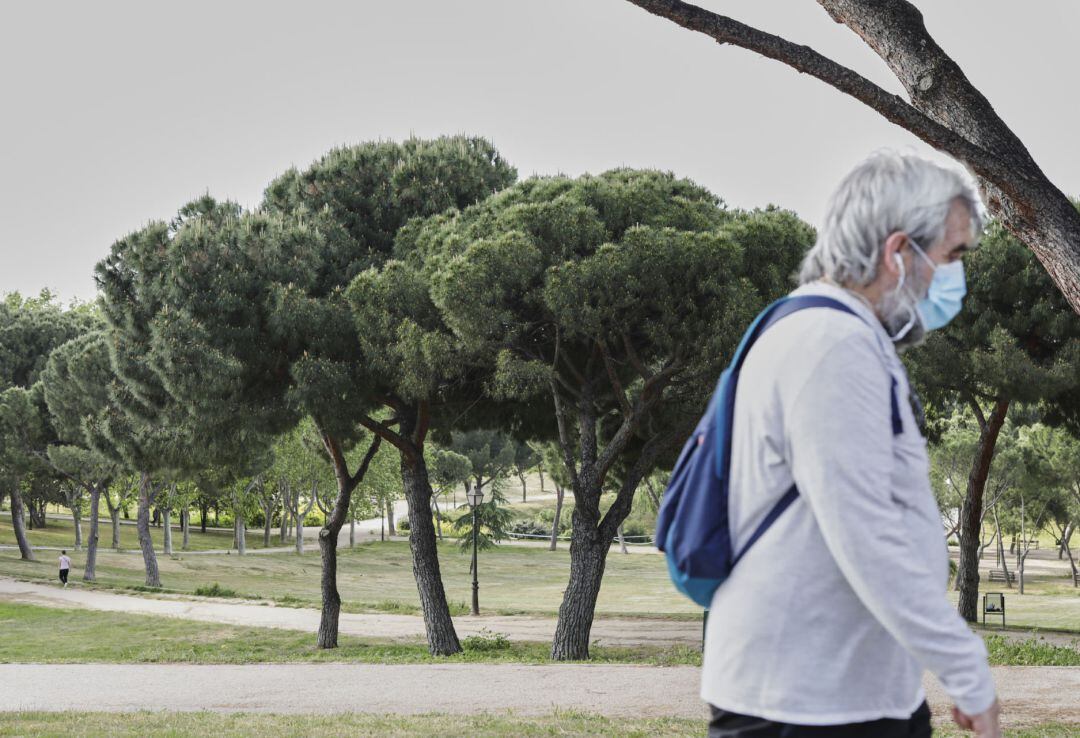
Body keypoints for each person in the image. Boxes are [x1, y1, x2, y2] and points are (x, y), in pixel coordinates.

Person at [702, 151, 1000, 738]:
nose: (955, 276)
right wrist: (967, 671)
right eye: (952, 256)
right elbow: (866, 533)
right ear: (898, 253)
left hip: (845, 692)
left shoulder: (838, 332)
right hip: (804, 704)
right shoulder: (831, 345)